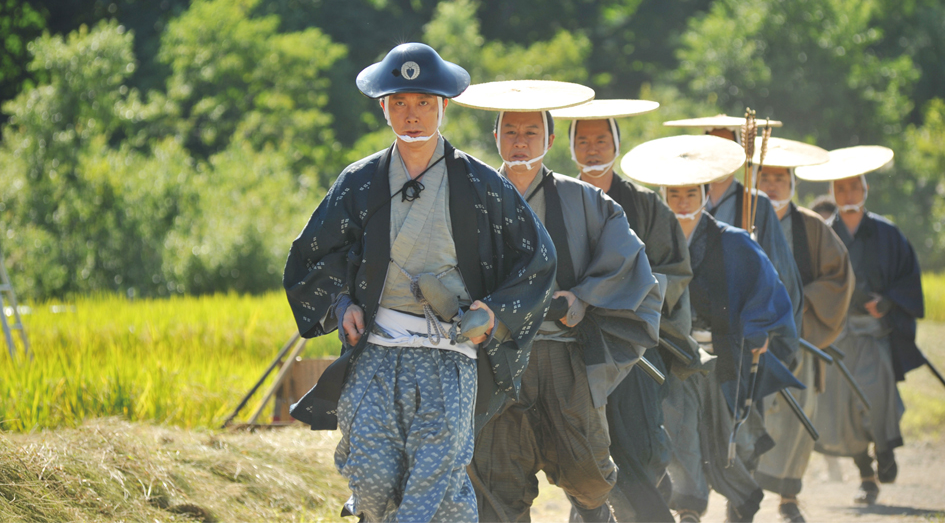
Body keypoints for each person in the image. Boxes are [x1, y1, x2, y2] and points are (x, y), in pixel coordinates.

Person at [283, 44, 557, 522]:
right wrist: (340, 303)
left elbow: (538, 257)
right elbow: (311, 255)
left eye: (424, 102)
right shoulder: (359, 181)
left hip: (449, 353)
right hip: (377, 350)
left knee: (435, 480)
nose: (413, 115)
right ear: (383, 107)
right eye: (401, 103)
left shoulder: (480, 184)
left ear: (444, 106)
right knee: (369, 478)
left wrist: (493, 314)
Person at [457, 83, 664, 523]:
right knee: (497, 474)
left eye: (531, 132)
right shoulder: (469, 198)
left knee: (587, 470)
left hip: (562, 354)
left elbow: (628, 260)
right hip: (494, 356)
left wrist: (583, 296)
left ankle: (593, 514)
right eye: (509, 131)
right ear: (495, 137)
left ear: (550, 141)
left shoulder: (587, 200)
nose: (519, 141)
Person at [622, 135, 802, 523]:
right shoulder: (646, 243)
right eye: (673, 193)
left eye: (691, 192)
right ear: (662, 195)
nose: (682, 201)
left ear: (706, 193)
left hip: (725, 356)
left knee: (731, 440)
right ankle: (689, 507)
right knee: (679, 431)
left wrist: (757, 331)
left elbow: (768, 294)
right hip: (671, 356)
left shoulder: (734, 242)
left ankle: (740, 501)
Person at [552, 99, 697, 522]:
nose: (592, 149)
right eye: (583, 140)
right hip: (570, 342)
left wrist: (625, 295)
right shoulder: (555, 196)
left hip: (633, 344)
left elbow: (674, 272)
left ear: (616, 143)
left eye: (601, 139)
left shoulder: (647, 205)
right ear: (569, 146)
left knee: (642, 447)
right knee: (582, 450)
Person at [796, 146, 925, 506]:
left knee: (878, 399)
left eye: (855, 187)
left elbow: (908, 278)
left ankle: (885, 449)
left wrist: (888, 302)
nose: (848, 194)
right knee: (842, 406)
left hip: (874, 334)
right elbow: (808, 279)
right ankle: (866, 474)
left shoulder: (888, 233)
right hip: (836, 335)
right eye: (841, 188)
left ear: (865, 190)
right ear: (833, 193)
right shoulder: (822, 233)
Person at [751, 138, 855, 523]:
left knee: (798, 416)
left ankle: (788, 498)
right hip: (750, 337)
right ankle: (742, 494)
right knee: (747, 413)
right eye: (766, 177)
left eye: (780, 177)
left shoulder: (810, 225)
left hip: (800, 336)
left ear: (792, 183)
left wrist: (802, 300)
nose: (773, 185)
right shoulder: (742, 219)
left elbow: (839, 277)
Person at [664, 115, 805, 336]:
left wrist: (764, 325)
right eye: (711, 147)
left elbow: (778, 270)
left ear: (739, 150)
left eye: (727, 147)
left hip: (738, 324)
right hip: (684, 322)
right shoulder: (685, 199)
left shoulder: (757, 203)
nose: (718, 155)